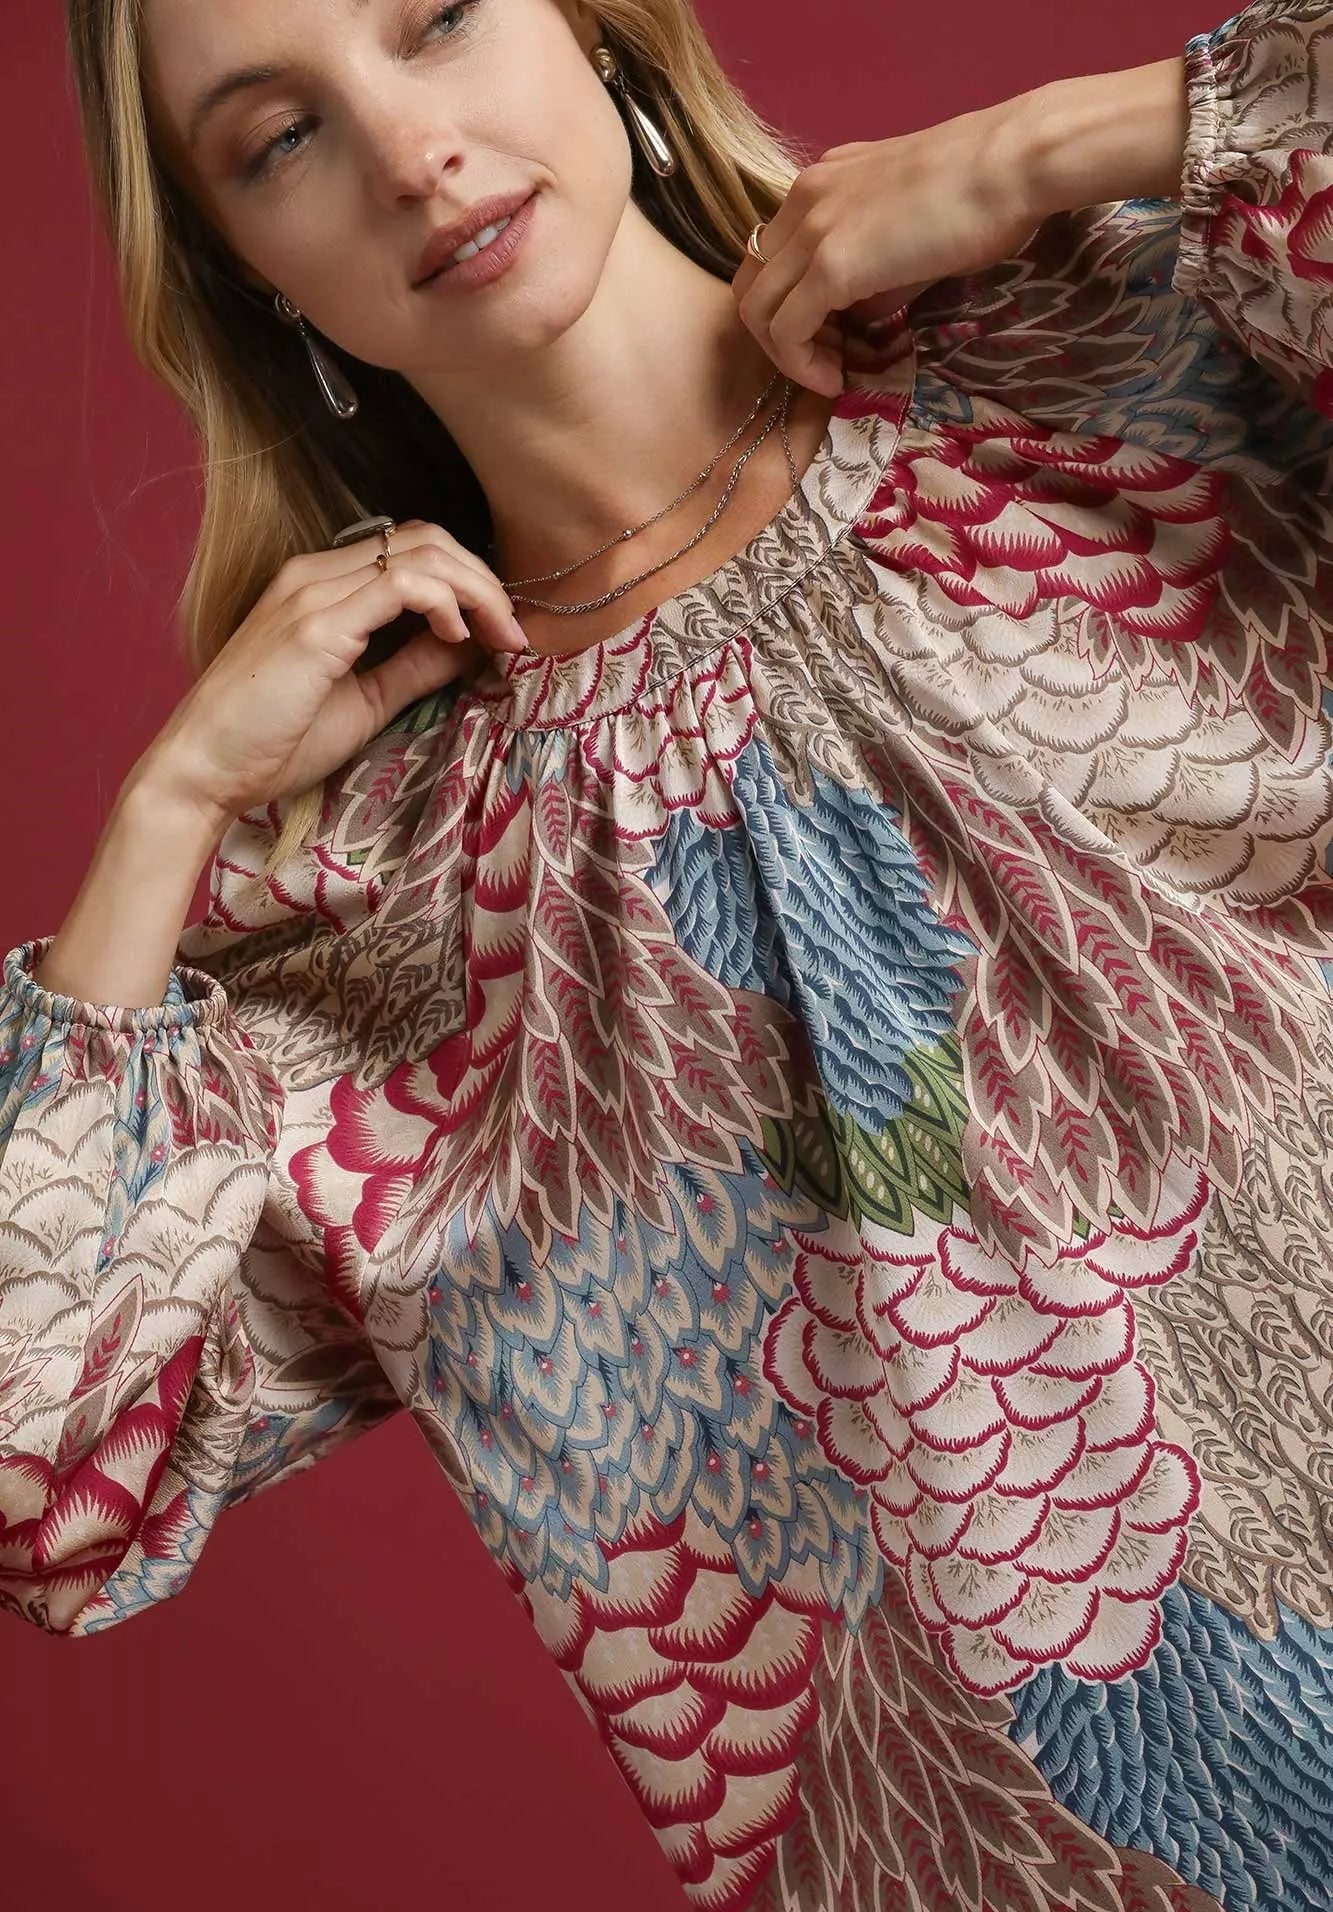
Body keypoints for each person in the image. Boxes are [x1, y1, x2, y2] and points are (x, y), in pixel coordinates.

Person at [3, 0, 1330, 1904]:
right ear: (245, 273)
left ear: (598, 26)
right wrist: (165, 819)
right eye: (276, 139)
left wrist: (1063, 142)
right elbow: (45, 1486)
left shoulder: (1109, 342)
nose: (408, 154)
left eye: (438, 20)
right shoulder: (383, 904)